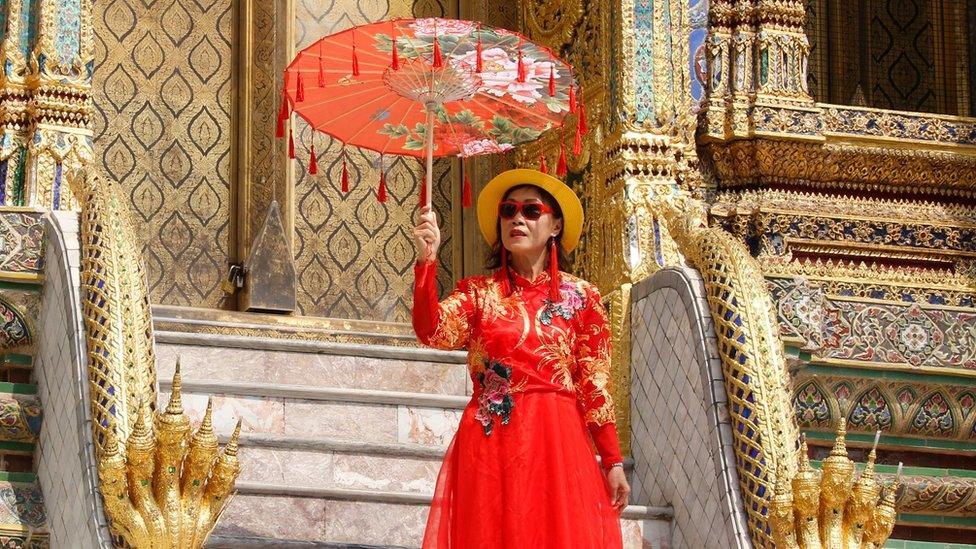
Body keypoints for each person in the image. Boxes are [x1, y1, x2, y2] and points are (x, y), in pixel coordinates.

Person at [412, 168, 629, 548]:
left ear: (555, 224)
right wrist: (427, 262)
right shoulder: (479, 294)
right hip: (493, 438)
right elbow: (432, 330)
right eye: (509, 210)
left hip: (557, 442)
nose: (517, 219)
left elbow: (595, 383)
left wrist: (612, 461)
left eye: (531, 211)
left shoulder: (583, 299)